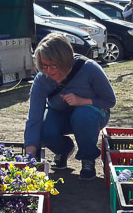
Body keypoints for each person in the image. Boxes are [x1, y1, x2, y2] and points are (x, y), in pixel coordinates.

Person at [24, 33, 116, 181]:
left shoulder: (89, 68)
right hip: (60, 114)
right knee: (43, 128)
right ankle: (64, 149)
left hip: (91, 114)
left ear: (65, 60)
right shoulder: (42, 79)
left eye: (53, 65)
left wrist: (83, 101)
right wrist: (29, 157)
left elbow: (110, 101)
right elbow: (33, 118)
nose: (49, 71)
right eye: (44, 66)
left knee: (83, 116)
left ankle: (88, 159)